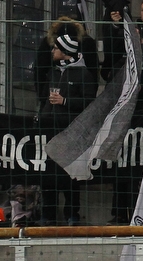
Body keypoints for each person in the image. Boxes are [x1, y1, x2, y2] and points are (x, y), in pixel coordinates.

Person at [39, 31, 97, 225]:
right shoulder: (53, 72)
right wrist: (42, 118)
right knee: (47, 175)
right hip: (51, 131)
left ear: (65, 51)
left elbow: (89, 103)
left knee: (69, 176)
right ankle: (48, 215)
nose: (53, 51)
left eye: (56, 48)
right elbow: (45, 99)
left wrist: (65, 101)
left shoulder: (84, 74)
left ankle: (72, 214)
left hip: (72, 133)